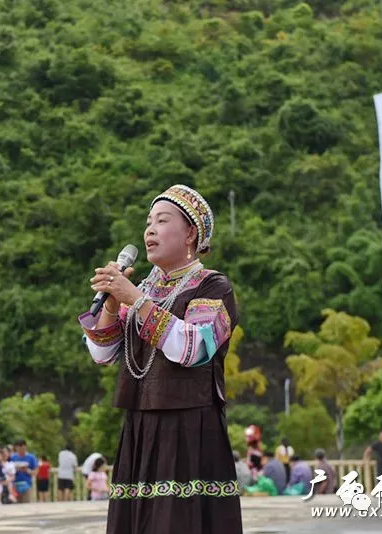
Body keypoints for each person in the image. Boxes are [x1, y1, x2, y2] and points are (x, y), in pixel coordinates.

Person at [79, 184, 242, 534]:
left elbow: (194, 347)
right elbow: (101, 353)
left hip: (189, 428)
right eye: (148, 221)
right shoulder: (142, 291)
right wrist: (111, 304)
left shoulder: (213, 287)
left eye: (162, 220)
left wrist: (135, 300)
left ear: (190, 234)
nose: (150, 229)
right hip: (140, 427)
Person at [9, 439, 38, 504]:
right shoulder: (13, 457)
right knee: (15, 505)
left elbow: (35, 472)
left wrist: (27, 470)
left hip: (27, 484)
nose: (19, 451)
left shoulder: (31, 457)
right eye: (17, 449)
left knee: (26, 504)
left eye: (20, 448)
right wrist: (15, 469)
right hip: (15, 485)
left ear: (25, 447)